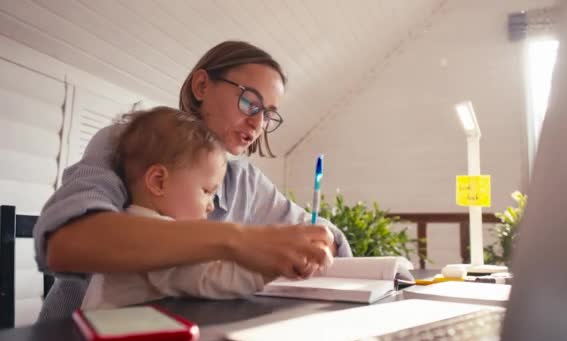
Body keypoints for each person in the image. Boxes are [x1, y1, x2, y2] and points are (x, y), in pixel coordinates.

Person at [33, 40, 352, 320]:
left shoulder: (245, 181)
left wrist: (321, 241)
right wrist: (239, 241)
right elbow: (67, 245)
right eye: (250, 103)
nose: (257, 123)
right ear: (202, 86)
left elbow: (323, 235)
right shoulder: (130, 143)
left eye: (268, 114)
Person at [81, 107, 280, 310]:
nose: (212, 205)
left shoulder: (128, 222)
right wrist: (271, 266)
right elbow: (213, 279)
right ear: (159, 182)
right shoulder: (157, 237)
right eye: (206, 191)